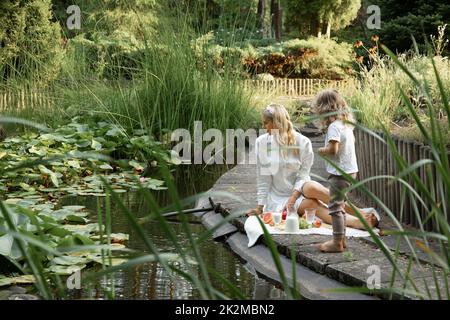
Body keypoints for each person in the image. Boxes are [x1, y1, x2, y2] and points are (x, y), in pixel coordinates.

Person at [246, 103, 378, 232]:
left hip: (300, 188)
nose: (264, 127)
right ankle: (357, 222)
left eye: (266, 123)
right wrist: (260, 207)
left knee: (312, 188)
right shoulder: (262, 143)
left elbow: (303, 174)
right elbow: (263, 178)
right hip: (279, 197)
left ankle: (359, 212)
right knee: (311, 205)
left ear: (276, 122)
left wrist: (295, 195)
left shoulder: (303, 142)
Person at [313, 89, 360, 253]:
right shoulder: (346, 125)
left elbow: (333, 149)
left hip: (339, 173)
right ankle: (342, 238)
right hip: (350, 171)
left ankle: (337, 242)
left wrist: (321, 150)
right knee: (341, 205)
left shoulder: (334, 126)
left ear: (325, 109)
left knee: (334, 207)